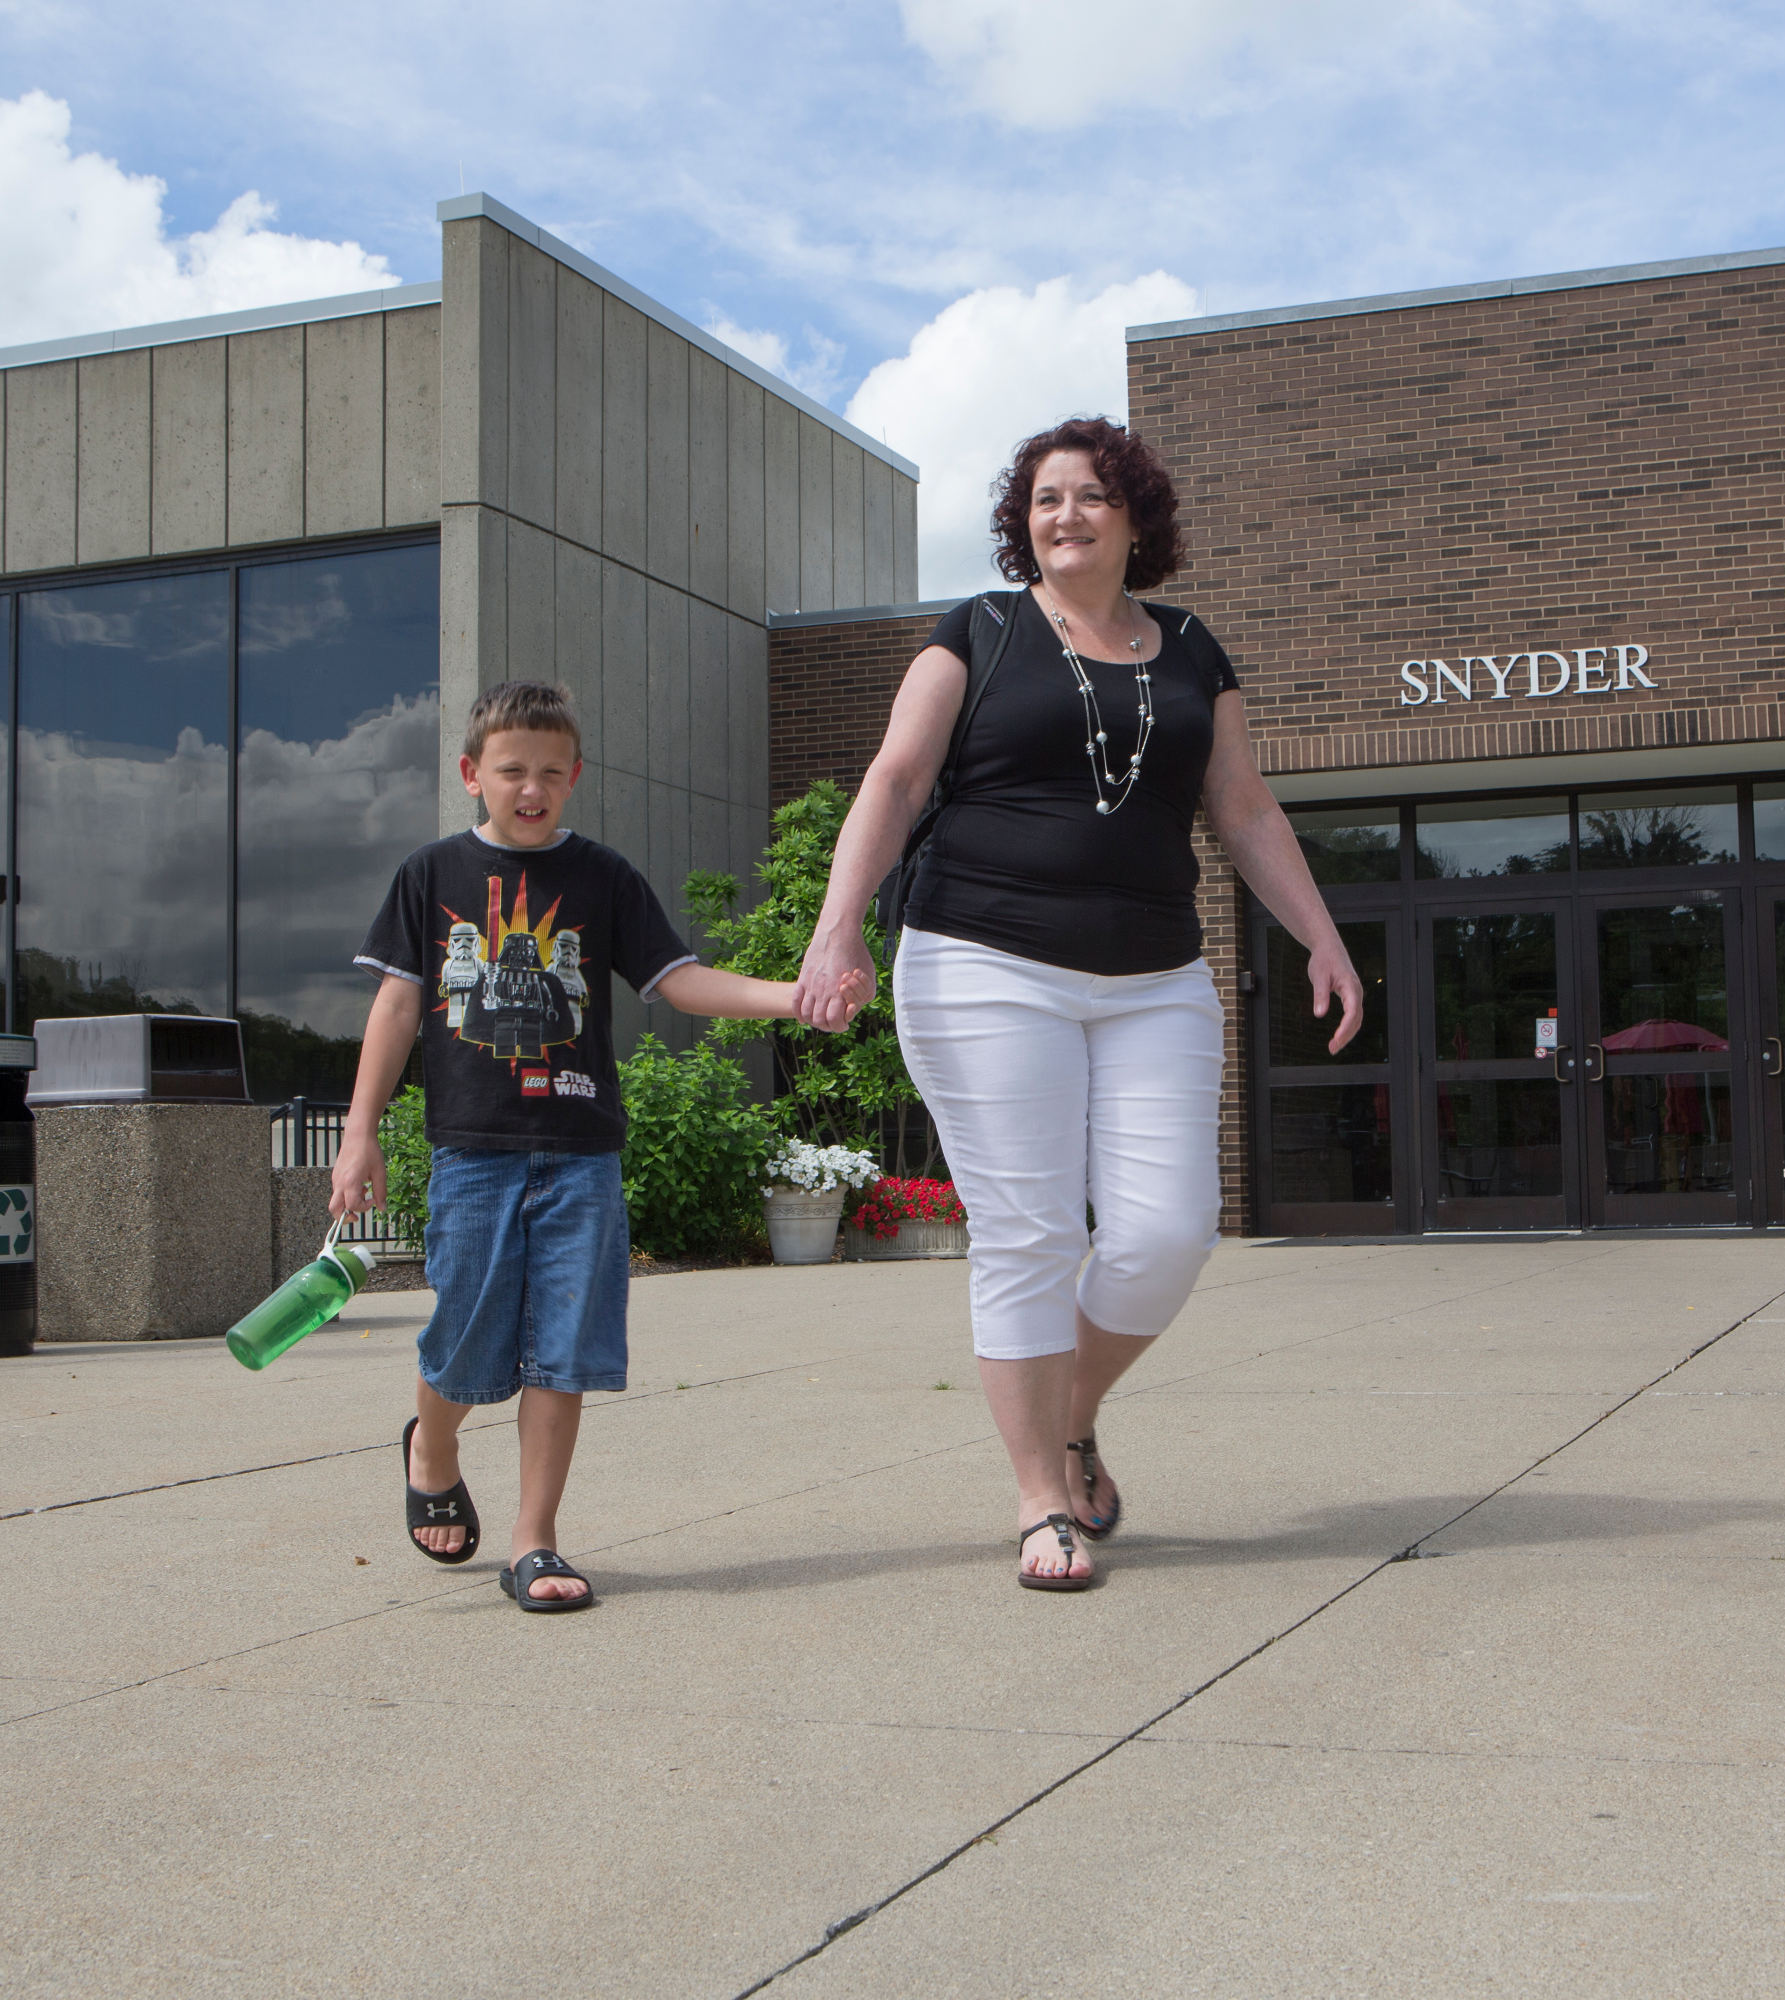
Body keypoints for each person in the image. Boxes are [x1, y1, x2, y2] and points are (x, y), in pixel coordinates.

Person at [792, 417, 1365, 1591]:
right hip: (981, 962)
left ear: (1135, 517)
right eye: (1047, 498)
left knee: (1166, 1231)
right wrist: (838, 919)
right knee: (1032, 1230)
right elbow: (896, 778)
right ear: (1023, 521)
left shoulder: (1196, 651)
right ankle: (1039, 1499)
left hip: (1154, 973)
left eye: (1093, 495)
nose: (1067, 515)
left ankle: (1069, 1410)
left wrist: (1322, 934)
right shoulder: (981, 631)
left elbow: (1245, 809)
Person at [330, 680, 823, 1612]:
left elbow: (678, 981)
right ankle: (432, 1443)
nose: (532, 788)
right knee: (467, 1336)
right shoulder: (430, 875)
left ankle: (535, 1542)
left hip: (581, 1150)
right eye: (513, 771)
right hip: (471, 1152)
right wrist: (361, 1135)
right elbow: (396, 1008)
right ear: (473, 773)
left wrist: (791, 996)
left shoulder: (601, 877)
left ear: (576, 777)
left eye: (552, 774)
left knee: (565, 1346)